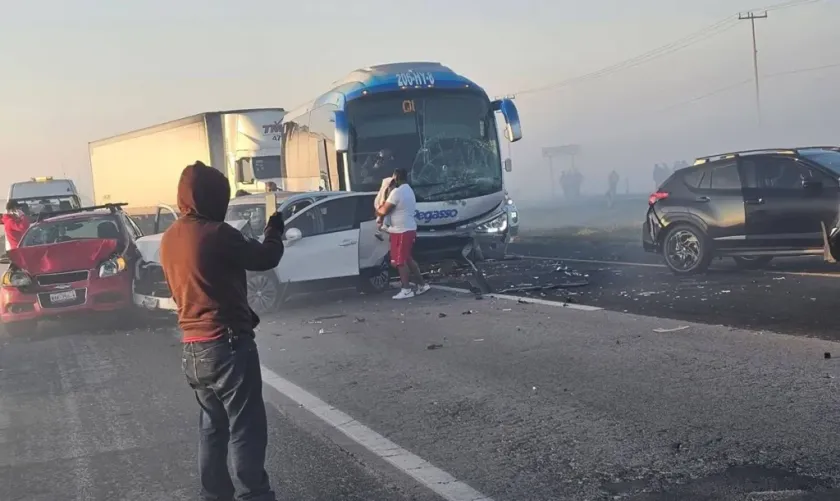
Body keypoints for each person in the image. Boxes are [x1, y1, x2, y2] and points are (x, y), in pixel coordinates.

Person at [160, 161, 285, 501]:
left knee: (213, 428)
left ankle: (214, 495)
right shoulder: (217, 233)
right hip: (227, 343)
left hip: (192, 347)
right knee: (246, 428)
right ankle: (253, 494)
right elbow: (265, 257)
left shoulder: (170, 238)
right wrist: (275, 228)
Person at [376, 168, 430, 299]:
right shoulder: (408, 190)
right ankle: (422, 285)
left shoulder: (397, 192)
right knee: (407, 258)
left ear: (395, 177)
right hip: (407, 229)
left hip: (401, 231)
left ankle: (406, 289)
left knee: (399, 261)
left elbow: (382, 211)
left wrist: (385, 190)